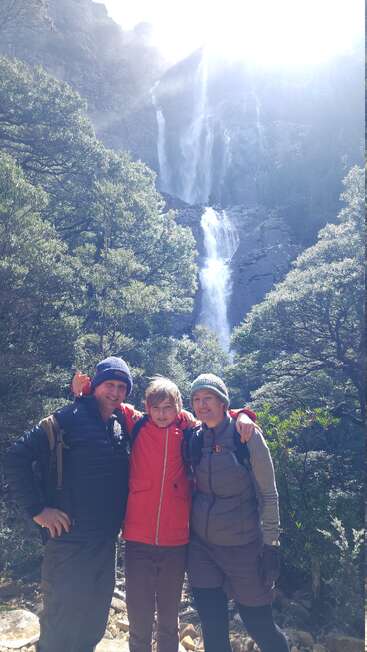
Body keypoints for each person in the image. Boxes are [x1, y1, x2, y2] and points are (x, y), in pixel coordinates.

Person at [71, 372, 257, 652]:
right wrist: (83, 390)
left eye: (168, 407)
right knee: (139, 615)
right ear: (147, 408)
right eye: (155, 408)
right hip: (137, 539)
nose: (161, 414)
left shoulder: (189, 428)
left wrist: (243, 414)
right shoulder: (137, 423)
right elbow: (107, 400)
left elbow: (217, 415)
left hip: (176, 542)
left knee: (170, 618)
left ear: (178, 407)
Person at [6, 356, 133, 652]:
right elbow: (15, 458)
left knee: (94, 617)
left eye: (121, 387)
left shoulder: (118, 426)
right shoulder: (66, 418)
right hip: (68, 542)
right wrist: (38, 511)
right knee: (61, 621)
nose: (114, 393)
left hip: (105, 542)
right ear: (96, 386)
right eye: (108, 385)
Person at [187, 373, 290, 652]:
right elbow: (157, 411)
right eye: (196, 399)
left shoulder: (246, 436)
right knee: (212, 624)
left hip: (243, 548)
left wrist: (271, 544)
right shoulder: (196, 436)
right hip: (201, 549)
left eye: (208, 398)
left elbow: (268, 494)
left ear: (223, 403)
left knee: (259, 625)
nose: (201, 405)